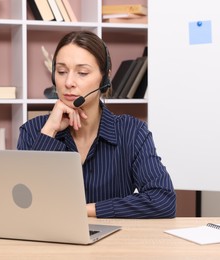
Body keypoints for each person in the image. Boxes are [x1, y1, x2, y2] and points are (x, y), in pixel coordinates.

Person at [17, 31, 176, 218]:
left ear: (105, 78)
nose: (68, 82)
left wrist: (82, 211)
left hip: (112, 243)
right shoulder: (34, 131)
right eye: (61, 72)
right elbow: (21, 203)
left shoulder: (131, 132)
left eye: (82, 73)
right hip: (48, 242)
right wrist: (49, 131)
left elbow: (163, 200)